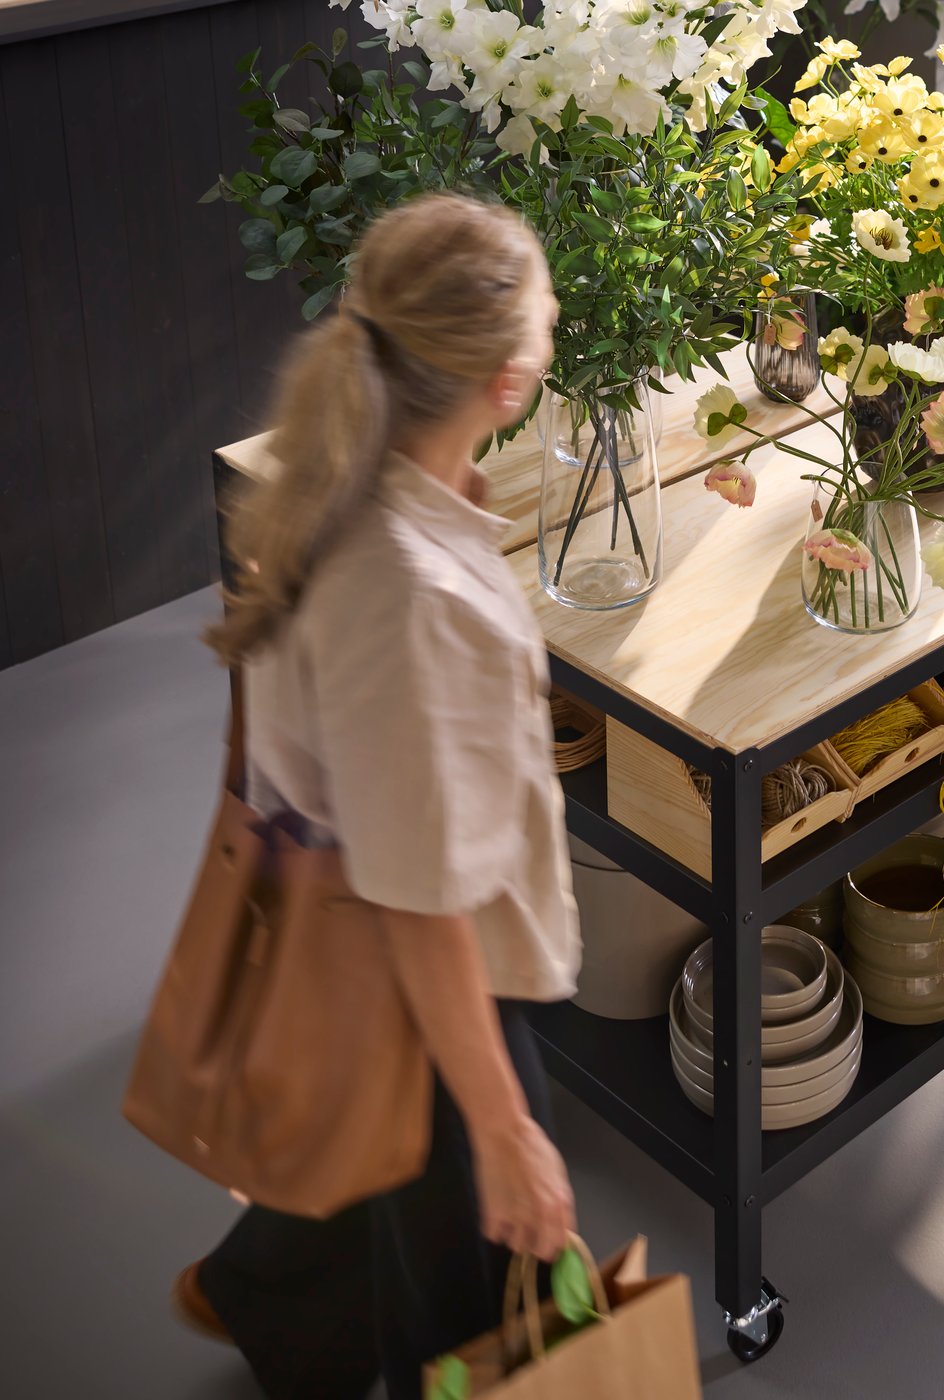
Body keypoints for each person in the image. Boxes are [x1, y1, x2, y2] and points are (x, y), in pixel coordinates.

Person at [175, 193, 580, 1399]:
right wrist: (504, 1132)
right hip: (430, 997)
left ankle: (256, 1282)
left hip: (332, 952)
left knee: (382, 1193)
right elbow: (417, 897)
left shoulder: (337, 475)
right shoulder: (414, 598)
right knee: (463, 1319)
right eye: (547, 313)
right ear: (508, 382)